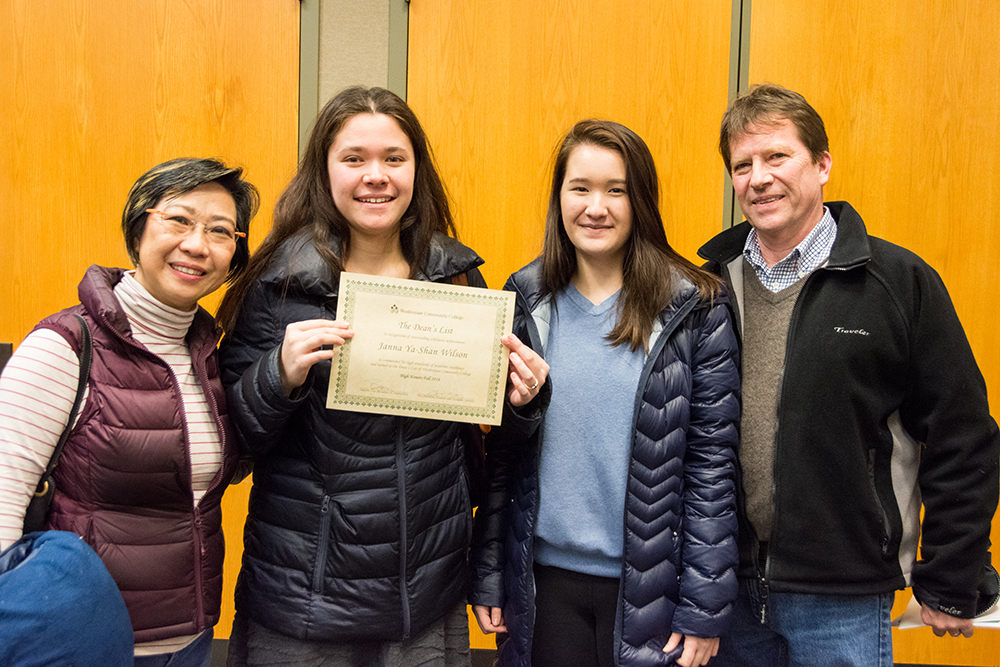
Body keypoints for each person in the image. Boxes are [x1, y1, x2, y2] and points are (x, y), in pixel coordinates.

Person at [215, 86, 548, 667]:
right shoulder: (277, 284)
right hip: (304, 600)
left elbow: (499, 447)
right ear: (325, 170)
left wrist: (520, 404)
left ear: (417, 170)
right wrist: (278, 376)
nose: (377, 176)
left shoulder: (460, 282)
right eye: (354, 159)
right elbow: (233, 443)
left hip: (424, 595)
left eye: (394, 158)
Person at [697, 83, 1000, 666]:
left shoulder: (897, 283)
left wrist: (953, 576)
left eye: (777, 157)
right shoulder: (708, 285)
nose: (758, 178)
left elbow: (963, 437)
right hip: (724, 594)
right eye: (742, 165)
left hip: (843, 598)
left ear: (823, 164)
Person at [470, 119, 741, 667]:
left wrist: (704, 607)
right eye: (581, 188)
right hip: (544, 587)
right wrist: (490, 572)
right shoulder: (523, 299)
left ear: (639, 201)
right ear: (559, 198)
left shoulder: (697, 307)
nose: (597, 207)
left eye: (616, 190)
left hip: (652, 593)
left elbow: (713, 464)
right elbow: (503, 454)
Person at [0, 157, 260, 665]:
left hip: (191, 639)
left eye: (220, 230)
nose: (196, 244)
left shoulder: (209, 353)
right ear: (138, 228)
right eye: (179, 220)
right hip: (83, 646)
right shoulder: (66, 347)